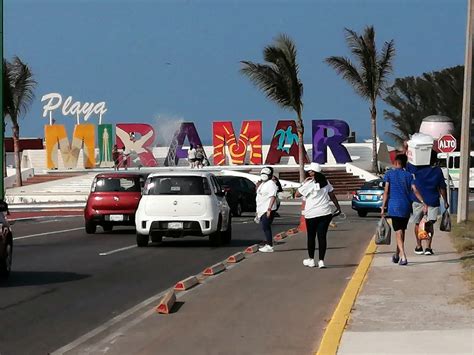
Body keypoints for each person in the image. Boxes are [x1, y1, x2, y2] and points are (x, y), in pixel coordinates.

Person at [381, 154, 427, 266]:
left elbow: (386, 192)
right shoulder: (409, 175)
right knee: (402, 231)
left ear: (396, 162)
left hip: (394, 206)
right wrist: (423, 202)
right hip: (406, 206)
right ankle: (397, 255)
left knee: (398, 232)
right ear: (405, 163)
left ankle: (403, 256)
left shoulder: (389, 174)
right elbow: (415, 190)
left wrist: (383, 207)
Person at [296, 162, 341, 268]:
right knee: (322, 237)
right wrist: (338, 207)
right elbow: (332, 196)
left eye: (309, 171)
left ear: (313, 172)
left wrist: (303, 183)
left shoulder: (308, 184)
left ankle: (311, 259)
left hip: (311, 214)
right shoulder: (326, 182)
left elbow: (297, 194)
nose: (308, 172)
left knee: (311, 237)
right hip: (325, 213)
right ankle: (321, 261)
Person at [407, 150, 449, 255]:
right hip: (433, 201)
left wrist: (408, 149)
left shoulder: (416, 168)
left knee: (417, 223)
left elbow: (408, 162)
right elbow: (442, 187)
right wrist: (445, 201)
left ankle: (418, 246)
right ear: (434, 159)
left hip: (417, 201)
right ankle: (428, 248)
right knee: (429, 224)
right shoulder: (437, 171)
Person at [256, 167, 279, 253]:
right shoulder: (262, 184)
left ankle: (269, 245)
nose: (263, 176)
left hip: (268, 209)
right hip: (262, 209)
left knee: (266, 227)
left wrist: (269, 209)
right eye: (262, 174)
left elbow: (273, 196)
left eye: (265, 174)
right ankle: (268, 244)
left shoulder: (271, 184)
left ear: (269, 175)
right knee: (264, 227)